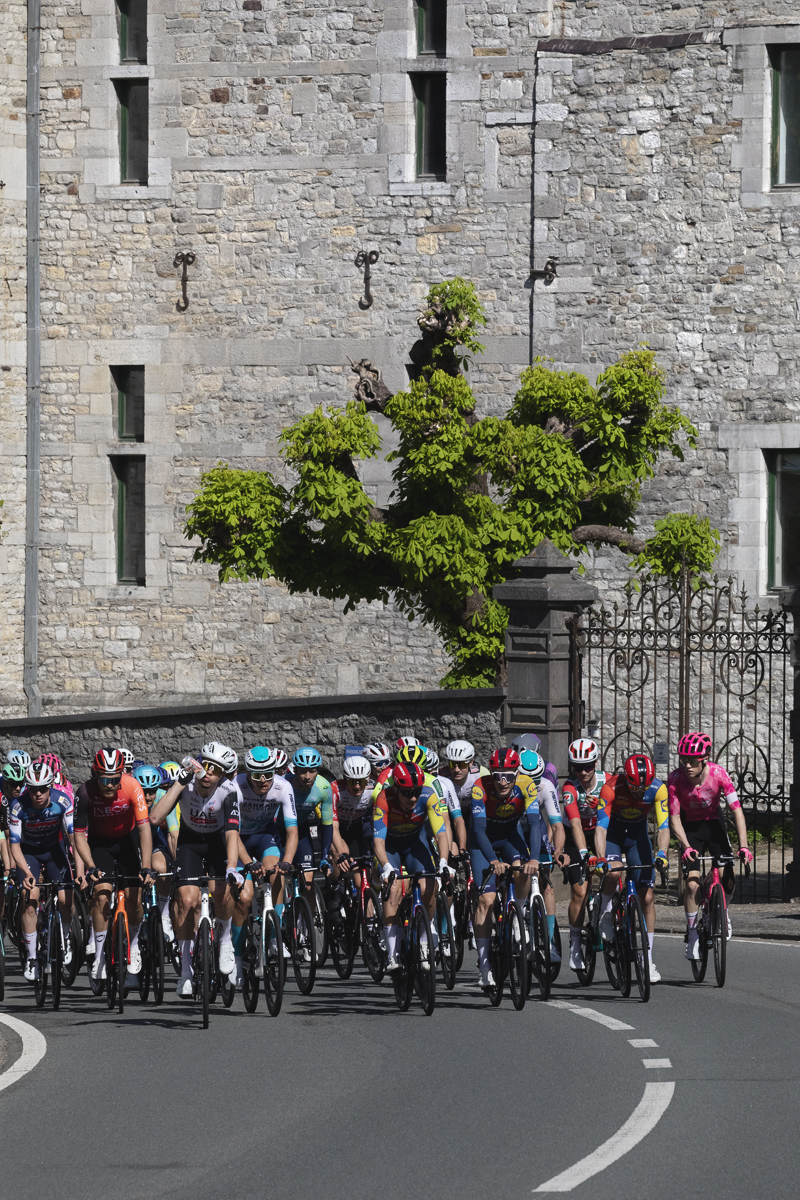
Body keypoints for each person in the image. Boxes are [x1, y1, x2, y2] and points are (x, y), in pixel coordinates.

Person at [149, 741, 241, 996]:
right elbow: (155, 818)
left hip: (216, 843)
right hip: (189, 843)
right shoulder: (186, 783)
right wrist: (179, 781)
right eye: (207, 766)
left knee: (222, 893)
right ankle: (186, 972)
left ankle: (225, 944)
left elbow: (233, 834)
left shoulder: (230, 790)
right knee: (187, 901)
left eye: (217, 770)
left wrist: (232, 867)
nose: (209, 773)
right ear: (200, 764)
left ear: (223, 774)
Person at [667, 732, 752, 959]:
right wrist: (685, 846)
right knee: (692, 885)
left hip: (714, 825)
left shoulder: (718, 774)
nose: (687, 765)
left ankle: (722, 912)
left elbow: (737, 810)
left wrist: (743, 846)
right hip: (690, 828)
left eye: (692, 760)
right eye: (683, 760)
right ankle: (693, 934)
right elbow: (674, 818)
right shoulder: (675, 779)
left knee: (729, 877)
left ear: (704, 759)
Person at [73, 748, 154, 984]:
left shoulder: (131, 787)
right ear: (95, 774)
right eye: (104, 779)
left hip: (128, 841)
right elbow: (79, 835)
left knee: (135, 899)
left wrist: (146, 866)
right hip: (100, 844)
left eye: (115, 779)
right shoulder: (85, 792)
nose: (109, 785)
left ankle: (135, 944)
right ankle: (99, 956)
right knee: (101, 896)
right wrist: (89, 866)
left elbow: (144, 828)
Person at [468, 748, 540, 992]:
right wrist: (492, 860)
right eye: (498, 775)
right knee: (485, 900)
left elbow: (534, 824)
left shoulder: (527, 785)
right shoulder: (480, 786)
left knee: (523, 871)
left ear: (516, 774)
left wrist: (536, 858)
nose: (502, 781)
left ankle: (518, 915)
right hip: (482, 843)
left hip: (510, 837)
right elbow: (478, 830)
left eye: (508, 776)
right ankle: (485, 966)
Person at [594, 754, 670, 983]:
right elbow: (600, 828)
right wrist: (600, 858)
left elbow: (663, 826)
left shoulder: (658, 789)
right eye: (635, 787)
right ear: (626, 779)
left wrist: (662, 853)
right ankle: (605, 908)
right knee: (614, 871)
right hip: (614, 834)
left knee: (647, 896)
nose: (639, 792)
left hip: (637, 836)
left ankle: (647, 958)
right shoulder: (610, 788)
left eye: (643, 788)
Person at [227, 746, 298, 983]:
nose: (263, 781)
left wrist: (287, 861)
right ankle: (235, 957)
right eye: (257, 775)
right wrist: (249, 863)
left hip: (264, 835)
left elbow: (292, 830)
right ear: (247, 773)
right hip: (238, 838)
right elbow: (231, 833)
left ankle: (274, 940)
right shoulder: (235, 786)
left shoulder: (283, 786)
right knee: (245, 898)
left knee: (277, 874)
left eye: (268, 774)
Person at [373, 762, 451, 973]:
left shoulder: (428, 795)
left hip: (415, 844)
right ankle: (392, 954)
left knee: (429, 886)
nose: (413, 798)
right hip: (390, 846)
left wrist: (444, 860)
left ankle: (425, 941)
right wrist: (387, 866)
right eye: (407, 793)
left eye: (416, 791)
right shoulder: (384, 798)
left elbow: (440, 833)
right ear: (396, 789)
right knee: (394, 890)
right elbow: (378, 841)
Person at [8, 761, 76, 981]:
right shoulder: (18, 806)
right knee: (31, 899)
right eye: (33, 789)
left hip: (54, 850)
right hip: (29, 853)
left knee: (67, 899)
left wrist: (80, 862)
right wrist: (27, 873)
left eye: (43, 789)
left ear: (50, 786)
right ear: (27, 787)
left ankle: (65, 940)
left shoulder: (63, 801)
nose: (38, 794)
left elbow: (74, 836)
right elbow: (15, 845)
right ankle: (31, 957)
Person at [559, 738, 613, 972]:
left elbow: (616, 811)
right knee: (580, 892)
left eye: (588, 766)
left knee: (614, 872)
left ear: (596, 763)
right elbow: (575, 823)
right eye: (577, 767)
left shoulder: (608, 781)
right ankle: (575, 944)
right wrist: (583, 854)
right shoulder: (570, 788)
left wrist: (601, 803)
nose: (583, 772)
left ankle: (609, 909)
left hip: (602, 831)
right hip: (576, 836)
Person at [518, 749, 563, 962]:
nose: (533, 784)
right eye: (529, 779)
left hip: (537, 831)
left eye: (537, 778)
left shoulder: (546, 787)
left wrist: (559, 851)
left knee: (546, 882)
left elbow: (557, 824)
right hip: (514, 832)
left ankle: (550, 941)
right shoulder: (510, 787)